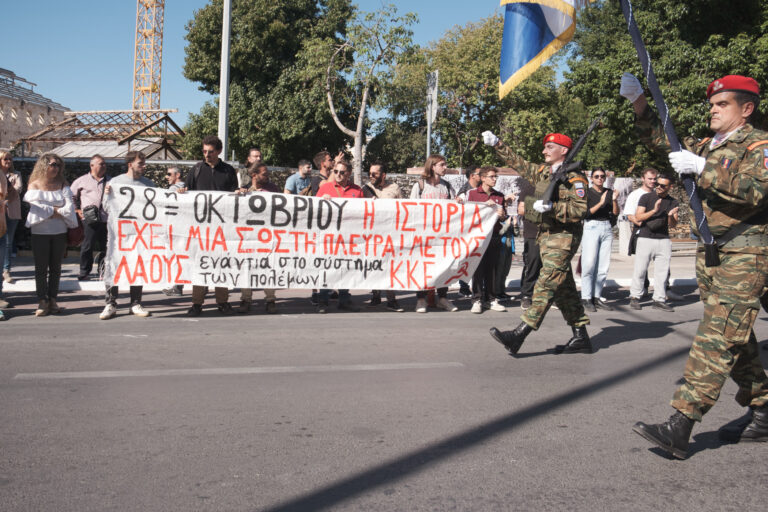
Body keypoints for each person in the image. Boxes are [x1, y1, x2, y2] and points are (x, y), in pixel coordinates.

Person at [622, 72, 768, 456]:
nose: (714, 109)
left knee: (717, 336)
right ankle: (764, 407)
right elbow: (662, 140)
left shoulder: (759, 144)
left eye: (723, 104)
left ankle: (680, 424)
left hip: (745, 252)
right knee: (736, 336)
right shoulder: (707, 145)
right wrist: (639, 102)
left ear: (746, 109)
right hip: (712, 252)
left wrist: (702, 168)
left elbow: (758, 190)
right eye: (713, 104)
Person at [483, 130, 591, 355]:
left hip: (563, 238)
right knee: (563, 288)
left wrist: (553, 208)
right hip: (546, 237)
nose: (544, 151)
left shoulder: (575, 178)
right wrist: (497, 143)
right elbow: (518, 163)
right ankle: (581, 336)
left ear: (564, 151)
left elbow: (580, 210)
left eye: (549, 147)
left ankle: (518, 334)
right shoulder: (543, 172)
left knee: (546, 284)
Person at [182, 135, 240, 316]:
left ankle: (222, 302)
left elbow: (233, 196)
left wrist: (238, 193)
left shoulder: (229, 171)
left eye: (210, 152)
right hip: (200, 229)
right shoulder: (196, 170)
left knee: (221, 264)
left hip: (222, 229)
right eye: (204, 151)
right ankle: (197, 303)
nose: (206, 155)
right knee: (200, 265)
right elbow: (187, 193)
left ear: (219, 151)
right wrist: (181, 192)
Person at [99, 151, 155, 320]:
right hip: (118, 234)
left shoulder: (148, 184)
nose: (143, 167)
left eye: (144, 163)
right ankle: (110, 303)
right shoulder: (115, 182)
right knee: (113, 266)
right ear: (130, 164)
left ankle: (135, 303)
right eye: (140, 163)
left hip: (139, 234)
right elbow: (106, 208)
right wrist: (108, 195)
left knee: (137, 266)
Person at [23, 154, 78, 317]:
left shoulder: (63, 184)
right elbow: (35, 207)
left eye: (58, 165)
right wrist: (56, 210)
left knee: (56, 268)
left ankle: (53, 299)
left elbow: (69, 208)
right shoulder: (34, 185)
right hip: (40, 232)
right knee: (41, 268)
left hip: (59, 232)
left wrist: (51, 210)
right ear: (43, 165)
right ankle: (42, 300)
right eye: (52, 164)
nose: (55, 168)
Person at [409, 154, 459, 313]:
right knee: (422, 268)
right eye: (442, 165)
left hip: (443, 236)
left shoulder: (447, 186)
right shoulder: (420, 186)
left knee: (444, 266)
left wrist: (459, 203)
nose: (445, 167)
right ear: (432, 166)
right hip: (424, 235)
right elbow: (410, 209)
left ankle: (443, 298)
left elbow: (456, 208)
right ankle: (421, 299)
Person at [314, 160, 363, 313]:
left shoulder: (357, 190)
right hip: (329, 236)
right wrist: (322, 202)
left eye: (342, 172)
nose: (338, 175)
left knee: (346, 267)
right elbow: (314, 209)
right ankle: (323, 299)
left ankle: (344, 299)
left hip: (348, 237)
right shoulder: (325, 188)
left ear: (349, 173)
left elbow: (364, 212)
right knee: (326, 267)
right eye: (335, 172)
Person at [628, 174, 679, 312]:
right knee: (640, 269)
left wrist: (670, 216)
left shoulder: (673, 202)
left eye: (663, 185)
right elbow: (638, 217)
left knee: (662, 273)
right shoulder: (646, 197)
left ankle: (659, 299)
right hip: (645, 237)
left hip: (663, 240)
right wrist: (654, 211)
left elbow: (673, 224)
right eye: (658, 184)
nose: (659, 187)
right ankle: (635, 297)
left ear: (670, 187)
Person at [361, 161, 404, 312]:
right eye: (369, 173)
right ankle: (376, 295)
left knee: (389, 267)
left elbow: (403, 209)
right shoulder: (366, 189)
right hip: (371, 235)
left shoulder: (394, 188)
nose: (371, 176)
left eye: (375, 174)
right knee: (374, 265)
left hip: (390, 234)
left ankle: (391, 299)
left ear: (383, 175)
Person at [238, 162, 280, 314]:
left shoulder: (274, 189)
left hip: (268, 236)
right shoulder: (245, 191)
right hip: (249, 236)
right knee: (247, 267)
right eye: (264, 174)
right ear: (254, 175)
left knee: (268, 267)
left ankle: (270, 299)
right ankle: (246, 299)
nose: (267, 176)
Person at [466, 167, 508, 314]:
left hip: (494, 236)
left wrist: (502, 214)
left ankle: (491, 299)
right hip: (477, 237)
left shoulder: (499, 196)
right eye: (491, 176)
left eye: (495, 177)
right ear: (483, 178)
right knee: (477, 269)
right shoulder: (472, 194)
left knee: (492, 270)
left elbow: (504, 218)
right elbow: (466, 214)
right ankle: (477, 299)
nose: (494, 179)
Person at [580, 168, 620, 312]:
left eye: (602, 176)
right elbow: (585, 213)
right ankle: (586, 297)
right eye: (596, 176)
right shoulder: (587, 192)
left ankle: (597, 296)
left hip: (606, 227)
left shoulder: (609, 192)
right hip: (592, 226)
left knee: (603, 265)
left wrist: (614, 201)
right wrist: (601, 202)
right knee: (589, 263)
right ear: (591, 178)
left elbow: (615, 213)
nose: (599, 179)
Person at [70, 154, 110, 282]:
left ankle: (103, 271)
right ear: (92, 165)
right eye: (101, 163)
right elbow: (70, 196)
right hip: (89, 218)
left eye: (104, 163)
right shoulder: (81, 181)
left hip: (107, 218)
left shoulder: (111, 181)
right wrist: (77, 210)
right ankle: (84, 272)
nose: (104, 166)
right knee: (87, 246)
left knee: (107, 246)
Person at [623, 167, 658, 301]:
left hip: (658, 234)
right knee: (642, 266)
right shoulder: (635, 195)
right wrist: (642, 223)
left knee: (662, 264)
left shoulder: (658, 194)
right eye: (649, 178)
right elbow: (630, 215)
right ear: (643, 179)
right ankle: (642, 289)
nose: (652, 181)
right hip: (642, 233)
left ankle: (665, 289)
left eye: (654, 179)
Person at [455, 165, 482, 297]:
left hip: (478, 230)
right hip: (466, 232)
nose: (482, 175)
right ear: (472, 176)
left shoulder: (481, 190)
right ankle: (463, 287)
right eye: (479, 173)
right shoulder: (464, 192)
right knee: (465, 259)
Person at [516, 179, 541, 311]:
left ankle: (546, 296)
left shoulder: (554, 189)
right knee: (532, 264)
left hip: (550, 234)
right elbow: (521, 210)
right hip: (532, 233)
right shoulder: (529, 189)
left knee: (549, 266)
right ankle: (526, 295)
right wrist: (540, 210)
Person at [162, 166, 185, 296]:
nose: (167, 176)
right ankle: (177, 285)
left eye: (169, 174)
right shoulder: (187, 188)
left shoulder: (174, 189)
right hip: (181, 227)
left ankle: (176, 285)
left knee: (174, 256)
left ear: (178, 175)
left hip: (174, 228)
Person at [1, 150, 22, 286]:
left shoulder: (16, 174)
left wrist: (5, 201)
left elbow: (18, 189)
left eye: (10, 159)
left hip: (11, 211)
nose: (8, 161)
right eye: (5, 159)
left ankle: (6, 270)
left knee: (8, 241)